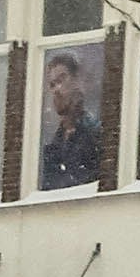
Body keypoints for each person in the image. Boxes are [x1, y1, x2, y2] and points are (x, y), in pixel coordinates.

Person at [38, 43, 102, 192]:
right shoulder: (53, 145)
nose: (56, 89)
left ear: (77, 81)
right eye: (52, 84)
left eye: (61, 80)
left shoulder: (95, 132)